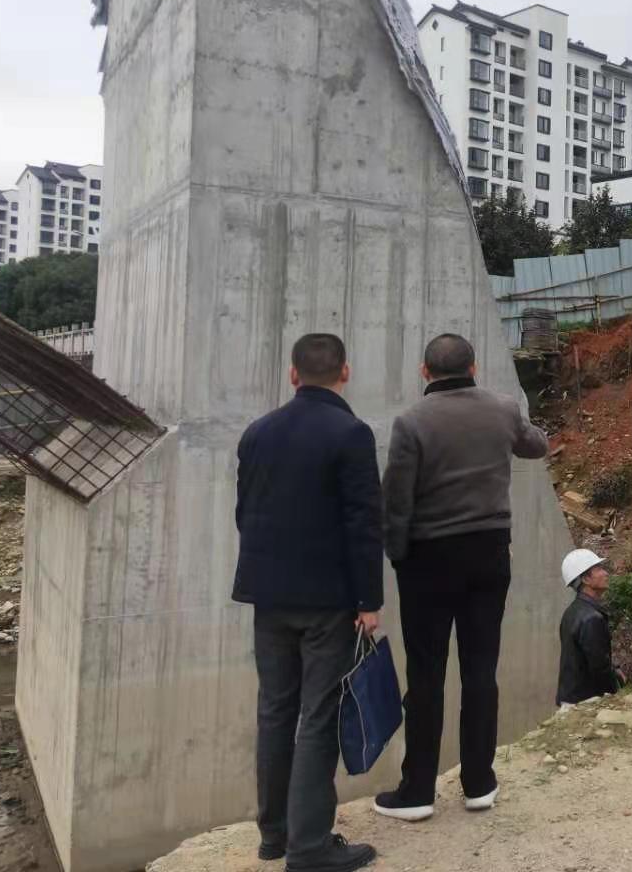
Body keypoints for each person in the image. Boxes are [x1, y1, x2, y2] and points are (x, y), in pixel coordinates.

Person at [373, 333, 550, 823]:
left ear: (424, 372)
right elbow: (536, 446)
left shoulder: (411, 422)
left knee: (426, 675)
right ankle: (479, 783)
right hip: (489, 554)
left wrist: (398, 556)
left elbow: (396, 500)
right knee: (480, 670)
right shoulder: (503, 408)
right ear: (473, 367)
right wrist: (514, 419)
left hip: (428, 559)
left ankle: (418, 791)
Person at [232, 333, 382, 872]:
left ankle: (274, 836)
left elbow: (244, 512)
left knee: (275, 711)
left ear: (293, 374)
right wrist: (368, 600)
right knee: (318, 717)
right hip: (327, 601)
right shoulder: (351, 433)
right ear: (345, 372)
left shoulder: (257, 432)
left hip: (268, 596)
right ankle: (310, 848)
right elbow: (363, 524)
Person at [556, 549, 623, 706]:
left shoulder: (572, 612)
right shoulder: (591, 618)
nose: (605, 573)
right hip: (584, 702)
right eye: (599, 569)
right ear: (585, 579)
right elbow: (599, 668)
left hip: (571, 699)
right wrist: (616, 690)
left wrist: (614, 669)